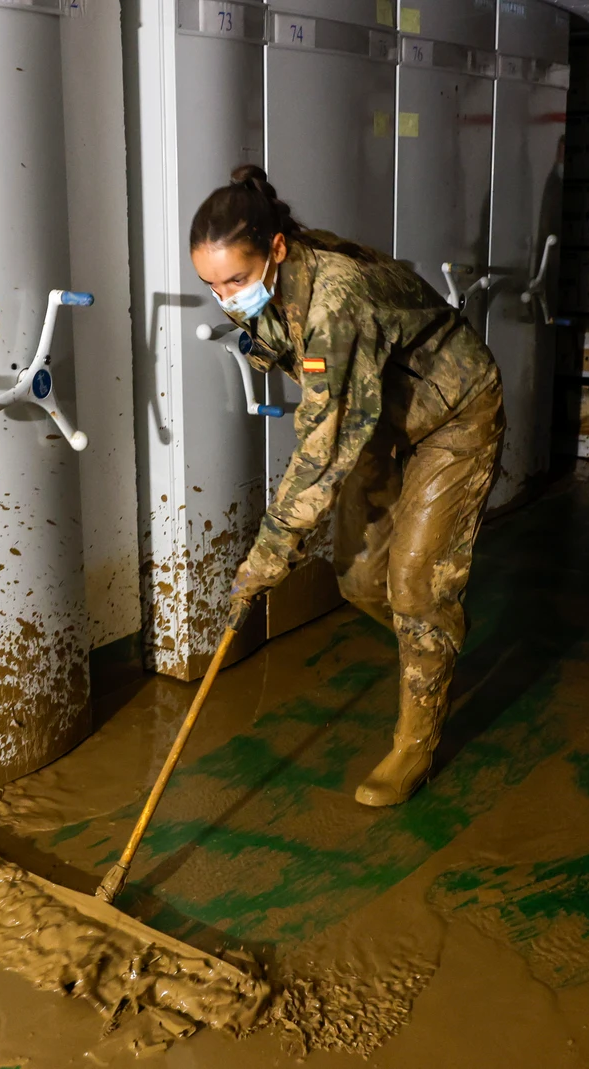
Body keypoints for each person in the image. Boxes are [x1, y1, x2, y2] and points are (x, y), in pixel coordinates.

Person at [190, 165, 504, 808]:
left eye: (236, 280)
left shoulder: (336, 300)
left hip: (454, 414)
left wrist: (267, 556)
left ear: (276, 249)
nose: (225, 297)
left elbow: (324, 447)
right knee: (360, 581)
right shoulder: (270, 289)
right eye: (211, 285)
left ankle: (415, 742)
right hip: (378, 419)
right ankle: (433, 638)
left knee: (414, 587)